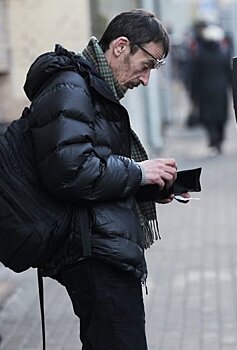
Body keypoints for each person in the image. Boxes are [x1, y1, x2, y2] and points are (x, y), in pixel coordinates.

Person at [23, 9, 188, 349]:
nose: (145, 79)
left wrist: (147, 188)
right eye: (148, 64)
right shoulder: (71, 87)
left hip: (103, 247)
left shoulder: (92, 90)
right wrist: (139, 171)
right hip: (94, 253)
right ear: (120, 46)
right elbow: (70, 171)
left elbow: (95, 168)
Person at [189, 24, 231, 154]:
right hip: (221, 90)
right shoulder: (222, 55)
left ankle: (213, 140)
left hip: (205, 91)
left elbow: (195, 76)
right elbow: (229, 73)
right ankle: (219, 140)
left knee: (208, 117)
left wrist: (193, 92)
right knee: (221, 116)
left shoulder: (200, 57)